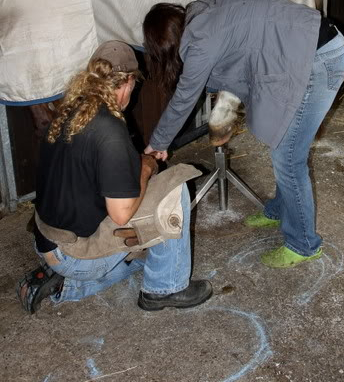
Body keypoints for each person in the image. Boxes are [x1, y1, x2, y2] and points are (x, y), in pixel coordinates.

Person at [143, 0, 344, 268]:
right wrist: (227, 114)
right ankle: (279, 210)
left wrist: (158, 142)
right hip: (304, 51)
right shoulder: (202, 16)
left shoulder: (201, 43)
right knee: (281, 139)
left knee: (288, 157)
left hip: (318, 59)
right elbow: (242, 63)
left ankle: (303, 244)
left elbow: (184, 98)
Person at [17, 40, 212, 314]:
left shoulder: (73, 109)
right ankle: (165, 288)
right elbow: (121, 215)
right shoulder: (109, 130)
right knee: (173, 189)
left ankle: (63, 283)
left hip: (48, 238)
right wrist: (146, 168)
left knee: (146, 254)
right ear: (129, 82)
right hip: (75, 253)